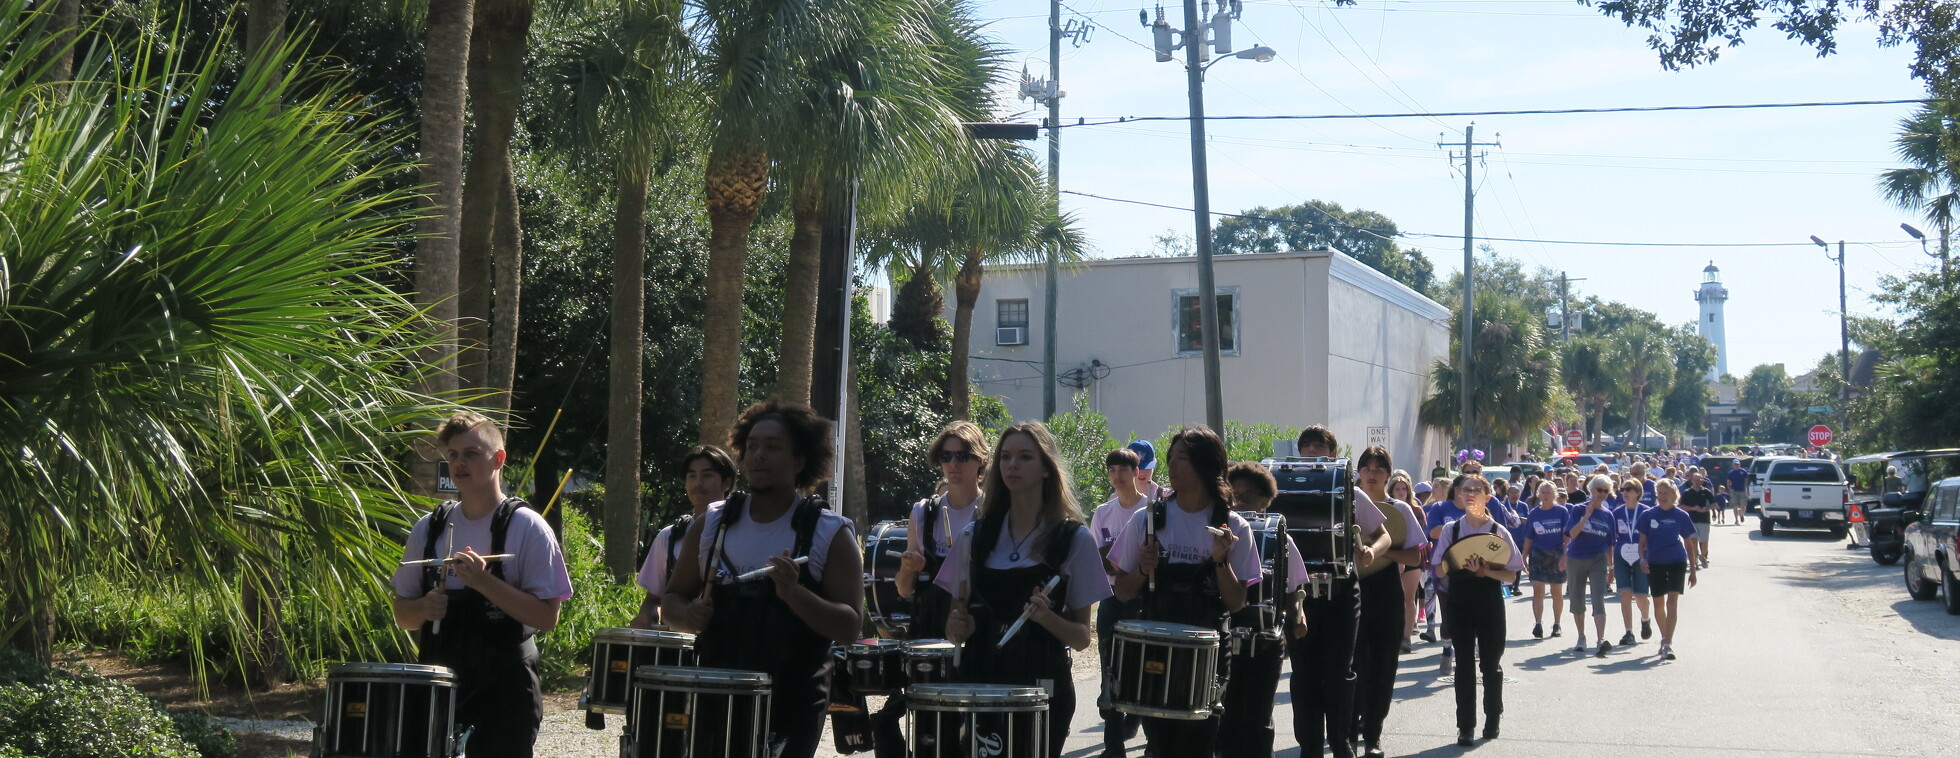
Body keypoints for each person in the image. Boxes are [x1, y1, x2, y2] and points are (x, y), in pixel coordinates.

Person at [662, 401, 863, 758]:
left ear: (799, 461)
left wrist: (795, 594)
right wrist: (688, 614)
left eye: (772, 447)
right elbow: (672, 601)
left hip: (792, 701)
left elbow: (849, 626)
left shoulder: (828, 532)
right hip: (717, 692)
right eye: (752, 446)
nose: (758, 456)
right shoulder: (711, 524)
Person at [391, 412, 573, 758]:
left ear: (499, 459)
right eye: (453, 455)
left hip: (505, 690)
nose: (460, 463)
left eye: (472, 453)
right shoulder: (429, 528)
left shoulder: (527, 528)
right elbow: (403, 614)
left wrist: (484, 583)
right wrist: (422, 608)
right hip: (438, 681)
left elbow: (547, 618)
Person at [941, 422, 1111, 758]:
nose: (1012, 465)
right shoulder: (974, 537)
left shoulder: (1073, 539)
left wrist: (1046, 617)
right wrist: (959, 627)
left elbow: (1081, 639)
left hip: (1043, 690)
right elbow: (952, 626)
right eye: (1005, 457)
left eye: (1024, 457)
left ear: (1047, 468)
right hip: (982, 684)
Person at [1109, 427, 1260, 758]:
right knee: (1160, 745)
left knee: (1200, 744)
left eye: (1183, 458)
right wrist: (1143, 570)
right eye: (1171, 458)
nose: (1173, 466)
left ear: (1206, 465)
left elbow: (1236, 602)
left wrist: (1221, 561)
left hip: (1208, 655)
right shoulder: (1148, 519)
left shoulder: (1233, 526)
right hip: (1155, 651)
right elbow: (1120, 591)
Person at [1290, 426, 1394, 758]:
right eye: (1306, 448)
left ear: (1332, 454)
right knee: (1303, 673)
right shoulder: (1285, 490)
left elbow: (1384, 534)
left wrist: (1372, 552)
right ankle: (1309, 747)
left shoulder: (1350, 491)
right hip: (1302, 593)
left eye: (1318, 447)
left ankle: (1340, 741)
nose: (1311, 453)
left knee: (1340, 672)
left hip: (1341, 590)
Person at [1219, 461, 1310, 758]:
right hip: (1224, 639)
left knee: (1258, 718)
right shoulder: (1222, 533)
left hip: (1265, 641)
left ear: (1265, 501)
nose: (1240, 503)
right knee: (1224, 716)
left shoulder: (1280, 537)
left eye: (1247, 497)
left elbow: (1294, 588)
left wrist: (1297, 615)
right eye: (1235, 496)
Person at [1428, 474, 1523, 746]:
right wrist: (1458, 564)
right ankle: (1465, 726)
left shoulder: (1498, 531)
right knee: (1464, 665)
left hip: (1489, 601)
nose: (1470, 494)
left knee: (1490, 664)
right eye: (1465, 490)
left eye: (1476, 490)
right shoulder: (1452, 530)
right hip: (1460, 600)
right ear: (1458, 495)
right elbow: (1438, 567)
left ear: (1487, 497)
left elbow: (1511, 576)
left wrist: (1486, 570)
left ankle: (1493, 717)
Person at [1350, 446, 1428, 758]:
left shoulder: (1400, 509)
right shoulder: (1346, 503)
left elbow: (1414, 556)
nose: (1371, 473)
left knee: (1383, 665)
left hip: (1386, 592)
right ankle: (1348, 732)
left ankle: (1373, 735)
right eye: (1366, 467)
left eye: (1378, 468)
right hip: (1350, 591)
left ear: (1387, 474)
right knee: (1353, 665)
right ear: (1358, 472)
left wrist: (1378, 550)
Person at [898, 421, 990, 640]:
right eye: (946, 457)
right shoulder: (923, 513)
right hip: (928, 636)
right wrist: (908, 568)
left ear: (981, 459)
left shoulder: (992, 513)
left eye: (962, 456)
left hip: (976, 634)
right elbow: (903, 590)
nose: (953, 463)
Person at [632, 445, 736, 627]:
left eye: (707, 475)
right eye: (692, 476)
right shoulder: (669, 537)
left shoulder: (741, 533)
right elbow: (653, 600)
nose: (698, 483)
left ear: (726, 483)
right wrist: (648, 617)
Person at [1090, 447, 1149, 757]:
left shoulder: (1150, 509)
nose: (1117, 476)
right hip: (1110, 597)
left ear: (1135, 472)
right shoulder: (1102, 512)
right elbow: (1095, 557)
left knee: (1144, 666)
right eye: (1112, 470)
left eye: (1122, 470)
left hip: (1142, 598)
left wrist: (1117, 558)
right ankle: (1113, 745)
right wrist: (1122, 558)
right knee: (1109, 670)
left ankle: (1142, 718)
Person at [1638, 479, 1699, 661]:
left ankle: (1668, 643)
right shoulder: (1648, 515)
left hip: (1676, 561)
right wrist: (1642, 559)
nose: (1663, 496)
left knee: (1672, 603)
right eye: (1660, 493)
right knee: (1658, 603)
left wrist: (1693, 570)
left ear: (1674, 495)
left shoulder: (1681, 516)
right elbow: (1641, 543)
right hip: (1654, 562)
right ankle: (1664, 637)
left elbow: (1689, 544)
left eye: (1667, 493)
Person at [1564, 478, 1618, 657]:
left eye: (1606, 491)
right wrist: (1586, 516)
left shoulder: (1608, 515)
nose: (1602, 494)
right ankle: (1581, 637)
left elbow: (1610, 543)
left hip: (1598, 559)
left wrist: (1611, 568)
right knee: (1577, 599)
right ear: (1591, 490)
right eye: (1599, 490)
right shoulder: (1578, 509)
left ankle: (1600, 640)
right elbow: (1572, 534)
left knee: (1598, 599)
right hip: (1577, 558)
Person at [1519, 482, 1568, 641]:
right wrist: (1524, 556)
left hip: (1556, 553)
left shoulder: (1562, 511)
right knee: (1538, 590)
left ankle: (1557, 623)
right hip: (1538, 554)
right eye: (1543, 492)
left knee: (1556, 592)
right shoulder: (1534, 513)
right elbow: (1529, 537)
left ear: (1555, 495)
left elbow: (1566, 536)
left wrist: (1565, 556)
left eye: (1549, 492)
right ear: (1539, 495)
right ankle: (1538, 624)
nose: (1546, 495)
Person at [1610, 480, 1654, 647]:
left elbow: (1651, 536)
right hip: (1621, 555)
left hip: (1641, 555)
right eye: (1623, 489)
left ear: (1637, 492)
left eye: (1629, 489)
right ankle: (1629, 631)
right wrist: (1610, 565)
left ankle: (1645, 618)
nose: (1625, 492)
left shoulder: (1646, 512)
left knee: (1640, 595)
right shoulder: (1617, 512)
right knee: (1625, 593)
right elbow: (1612, 538)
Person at [1387, 474, 1424, 653]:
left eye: (1404, 489)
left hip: (1412, 557)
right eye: (1397, 489)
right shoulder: (1385, 508)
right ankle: (1393, 634)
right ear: (1391, 490)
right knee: (1394, 598)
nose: (1401, 492)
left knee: (1409, 598)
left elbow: (1422, 536)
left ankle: (1406, 637)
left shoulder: (1416, 510)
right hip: (1390, 557)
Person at [1679, 469, 1716, 568]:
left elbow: (1714, 504)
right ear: (1691, 480)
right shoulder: (1687, 493)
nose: (1697, 482)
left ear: (1702, 480)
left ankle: (1703, 556)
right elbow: (1681, 506)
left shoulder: (1706, 491)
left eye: (1699, 480)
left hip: (1704, 519)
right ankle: (1694, 560)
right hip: (1691, 520)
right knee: (1693, 540)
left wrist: (1706, 508)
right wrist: (1692, 508)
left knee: (1704, 541)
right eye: (1695, 480)